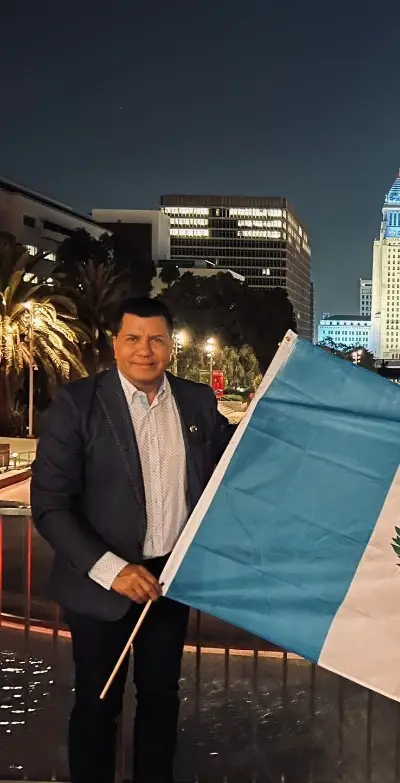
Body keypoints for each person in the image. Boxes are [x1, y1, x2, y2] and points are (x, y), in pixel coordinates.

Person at [31, 298, 234, 783]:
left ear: (171, 345)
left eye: (157, 339)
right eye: (133, 338)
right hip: (101, 587)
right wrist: (112, 571)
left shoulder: (196, 401)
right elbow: (50, 506)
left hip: (167, 585)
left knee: (161, 702)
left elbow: (235, 459)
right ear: (115, 344)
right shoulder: (78, 403)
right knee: (97, 707)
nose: (146, 350)